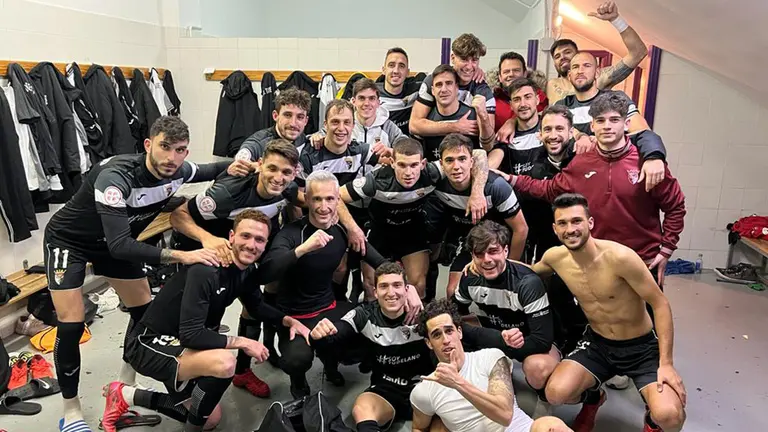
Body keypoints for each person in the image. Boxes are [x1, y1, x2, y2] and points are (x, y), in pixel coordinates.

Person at [44, 116, 233, 432]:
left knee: (145, 312)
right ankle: (72, 410)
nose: (171, 157)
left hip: (114, 244)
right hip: (72, 241)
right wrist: (183, 254)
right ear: (148, 145)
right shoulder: (114, 177)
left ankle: (123, 389)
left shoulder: (181, 170)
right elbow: (120, 245)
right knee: (72, 323)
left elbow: (216, 169)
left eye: (180, 150)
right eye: (164, 147)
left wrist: (252, 163)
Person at [101, 210, 311, 432]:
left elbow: (256, 306)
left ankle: (125, 394)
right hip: (149, 344)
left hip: (185, 345)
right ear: (231, 237)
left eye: (259, 240)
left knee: (210, 419)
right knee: (224, 363)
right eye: (245, 236)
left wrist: (287, 320)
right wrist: (243, 341)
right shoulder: (207, 270)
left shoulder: (246, 269)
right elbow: (191, 334)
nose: (251, 245)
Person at [258, 170, 422, 398]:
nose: (324, 207)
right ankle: (298, 382)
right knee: (296, 360)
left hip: (329, 307)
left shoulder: (343, 231)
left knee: (367, 336)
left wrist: (408, 287)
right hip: (294, 317)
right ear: (306, 199)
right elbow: (265, 273)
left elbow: (381, 263)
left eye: (330, 199)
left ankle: (331, 363)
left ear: (338, 200)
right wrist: (303, 249)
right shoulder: (292, 233)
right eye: (317, 199)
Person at [533, 194, 687, 432]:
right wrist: (490, 263)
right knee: (555, 393)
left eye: (576, 221)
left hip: (641, 348)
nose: (570, 229)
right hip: (598, 344)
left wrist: (666, 363)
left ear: (590, 223)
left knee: (670, 416)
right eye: (562, 223)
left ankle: (652, 422)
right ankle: (594, 398)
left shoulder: (620, 258)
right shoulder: (555, 258)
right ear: (554, 228)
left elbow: (660, 304)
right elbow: (529, 273)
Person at [506, 92, 686, 290]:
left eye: (614, 119)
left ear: (626, 124)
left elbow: (675, 206)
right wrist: (510, 179)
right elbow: (549, 189)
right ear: (592, 126)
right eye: (600, 120)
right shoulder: (581, 164)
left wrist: (667, 249)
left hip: (643, 261)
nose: (607, 126)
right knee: (601, 320)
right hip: (597, 262)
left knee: (650, 319)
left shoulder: (648, 163)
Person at [169, 139, 302, 398]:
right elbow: (178, 216)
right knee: (201, 320)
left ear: (294, 173)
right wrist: (206, 240)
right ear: (259, 165)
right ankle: (187, 374)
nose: (278, 177)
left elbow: (310, 199)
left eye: (286, 172)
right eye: (272, 169)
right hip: (203, 253)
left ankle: (242, 371)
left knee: (252, 306)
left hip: (241, 255)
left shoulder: (287, 188)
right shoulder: (227, 192)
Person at [341, 138, 489, 300]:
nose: (408, 172)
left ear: (423, 164)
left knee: (418, 285)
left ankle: (414, 322)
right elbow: (337, 197)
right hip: (378, 231)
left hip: (410, 230)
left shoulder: (432, 172)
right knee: (371, 286)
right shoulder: (375, 181)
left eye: (413, 165)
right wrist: (353, 229)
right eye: (402, 165)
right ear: (392, 163)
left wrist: (477, 192)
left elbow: (479, 153)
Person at [309, 262, 434, 432]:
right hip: (386, 389)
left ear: (407, 289)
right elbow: (335, 335)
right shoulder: (364, 314)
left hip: (425, 387)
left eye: (397, 285)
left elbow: (460, 339)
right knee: (361, 409)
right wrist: (317, 336)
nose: (391, 293)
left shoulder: (425, 315)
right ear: (375, 292)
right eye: (384, 286)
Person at [455, 221, 559, 417]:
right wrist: (497, 339)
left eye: (493, 251)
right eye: (479, 254)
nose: (487, 260)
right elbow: (454, 314)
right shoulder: (469, 277)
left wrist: (497, 342)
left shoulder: (527, 283)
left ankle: (544, 401)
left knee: (538, 369)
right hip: (499, 332)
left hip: (530, 337)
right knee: (453, 334)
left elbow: (542, 341)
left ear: (505, 250)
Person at [298, 98, 393, 301]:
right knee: (337, 266)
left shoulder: (360, 150)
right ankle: (331, 301)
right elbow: (297, 199)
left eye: (347, 122)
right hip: (318, 219)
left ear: (353, 125)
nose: (341, 128)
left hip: (348, 215)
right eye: (335, 122)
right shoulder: (308, 155)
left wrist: (391, 152)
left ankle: (345, 301)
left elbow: (395, 162)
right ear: (325, 125)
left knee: (358, 264)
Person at [424, 134, 527, 298]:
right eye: (450, 160)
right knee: (452, 291)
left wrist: (510, 266)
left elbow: (521, 229)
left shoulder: (497, 187)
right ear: (441, 164)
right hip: (471, 244)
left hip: (501, 246)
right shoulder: (436, 183)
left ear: (471, 162)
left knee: (507, 295)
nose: (456, 166)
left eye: (462, 159)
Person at [410, 299, 534, 432]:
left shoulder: (491, 357)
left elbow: (505, 415)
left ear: (459, 332)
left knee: (551, 425)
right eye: (437, 335)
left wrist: (457, 382)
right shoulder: (424, 390)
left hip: (521, 428)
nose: (445, 340)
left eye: (449, 331)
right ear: (429, 343)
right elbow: (418, 427)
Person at [544, 1, 648, 104]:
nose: (562, 57)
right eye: (557, 56)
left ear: (578, 55)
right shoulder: (550, 85)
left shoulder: (598, 77)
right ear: (554, 63)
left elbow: (638, 52)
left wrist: (616, 20)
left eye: (567, 52)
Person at [410, 33, 496, 138]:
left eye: (474, 60)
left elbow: (488, 140)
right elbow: (414, 125)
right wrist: (455, 127)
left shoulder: (482, 90)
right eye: (464, 59)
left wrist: (483, 118)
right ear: (452, 57)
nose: (469, 67)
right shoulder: (433, 81)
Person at [414, 64, 495, 162]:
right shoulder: (425, 120)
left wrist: (484, 117)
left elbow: (488, 146)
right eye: (439, 85)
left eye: (448, 83)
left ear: (457, 88)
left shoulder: (473, 115)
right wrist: (455, 126)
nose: (443, 89)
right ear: (432, 91)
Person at [228, 87, 311, 174]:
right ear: (275, 116)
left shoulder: (309, 142)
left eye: (300, 117)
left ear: (305, 121)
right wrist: (258, 166)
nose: (293, 123)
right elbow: (240, 162)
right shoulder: (258, 143)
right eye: (287, 115)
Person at [309, 78, 404, 149]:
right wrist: (314, 137)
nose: (367, 103)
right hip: (348, 175)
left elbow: (407, 147)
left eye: (371, 98)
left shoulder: (388, 127)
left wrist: (392, 152)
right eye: (362, 98)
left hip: (379, 175)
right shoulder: (344, 123)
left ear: (378, 103)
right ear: (353, 101)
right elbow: (316, 136)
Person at [493, 52, 548, 133]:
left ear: (525, 74)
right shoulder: (491, 100)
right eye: (506, 72)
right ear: (500, 77)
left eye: (516, 70)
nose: (511, 74)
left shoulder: (537, 94)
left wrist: (513, 121)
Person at [377, 47, 421, 134]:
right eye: (391, 65)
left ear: (407, 72)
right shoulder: (371, 94)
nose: (396, 71)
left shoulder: (416, 91)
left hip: (406, 145)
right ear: (383, 70)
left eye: (401, 66)